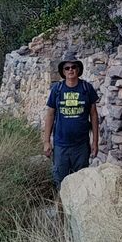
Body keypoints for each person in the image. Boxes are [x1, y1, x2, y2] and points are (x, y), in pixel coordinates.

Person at [43, 53, 99, 189]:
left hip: (81, 146)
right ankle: (61, 209)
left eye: (73, 67)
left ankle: (77, 210)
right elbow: (50, 114)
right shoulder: (57, 89)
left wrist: (95, 142)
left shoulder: (86, 88)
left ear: (78, 70)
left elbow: (94, 115)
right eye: (67, 68)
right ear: (63, 71)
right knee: (60, 183)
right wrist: (46, 141)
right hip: (61, 145)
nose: (70, 70)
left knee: (80, 183)